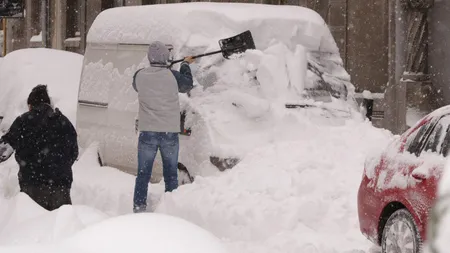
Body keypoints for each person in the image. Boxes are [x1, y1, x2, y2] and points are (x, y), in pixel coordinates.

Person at [132, 41, 194, 213]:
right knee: (171, 175)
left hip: (148, 133)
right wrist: (185, 65)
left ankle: (139, 208)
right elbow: (187, 84)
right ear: (166, 57)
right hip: (169, 133)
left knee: (143, 174)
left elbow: (136, 85)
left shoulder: (139, 75)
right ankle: (170, 210)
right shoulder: (173, 77)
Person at [0, 84, 78, 211]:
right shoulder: (65, 123)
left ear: (31, 105)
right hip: (61, 189)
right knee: (61, 228)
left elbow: (4, 149)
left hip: (33, 187)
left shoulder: (24, 121)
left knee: (33, 226)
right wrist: (58, 167)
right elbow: (74, 153)